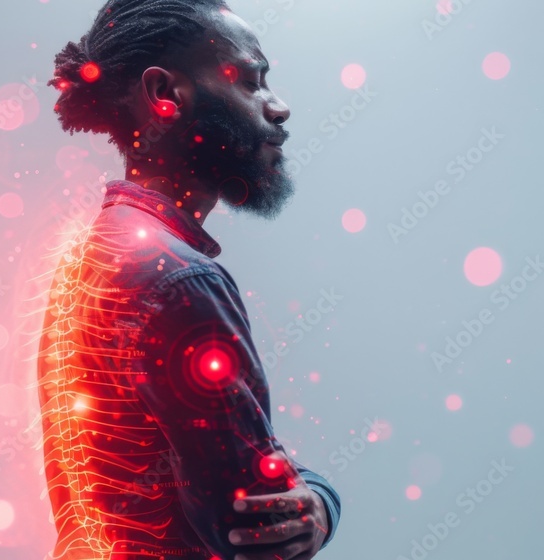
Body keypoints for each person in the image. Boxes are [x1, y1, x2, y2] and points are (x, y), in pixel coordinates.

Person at [35, 2, 341, 559]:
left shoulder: (88, 257)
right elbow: (261, 526)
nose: (280, 107)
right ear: (165, 95)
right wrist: (323, 499)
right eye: (251, 80)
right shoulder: (180, 280)